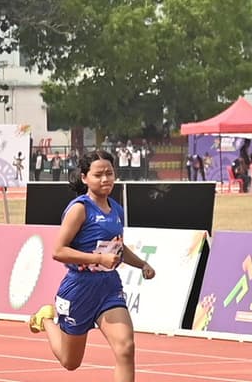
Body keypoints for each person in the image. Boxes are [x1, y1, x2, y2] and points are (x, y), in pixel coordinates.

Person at [28, 151, 156, 382]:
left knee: (126, 348)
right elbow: (59, 251)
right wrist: (97, 259)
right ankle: (46, 318)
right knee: (70, 362)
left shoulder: (117, 210)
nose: (105, 179)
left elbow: (118, 247)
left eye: (109, 173)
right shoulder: (80, 208)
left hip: (108, 288)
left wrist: (142, 264)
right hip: (79, 289)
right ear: (85, 178)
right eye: (99, 175)